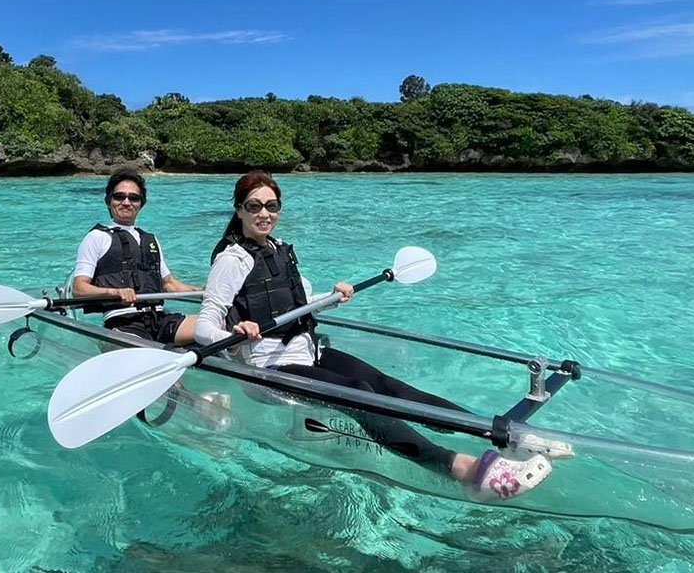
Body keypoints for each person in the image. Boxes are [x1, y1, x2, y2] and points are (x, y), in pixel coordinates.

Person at [194, 170, 552, 501]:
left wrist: (333, 298)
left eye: (271, 206)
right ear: (239, 210)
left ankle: (495, 433)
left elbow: (300, 305)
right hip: (268, 372)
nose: (264, 214)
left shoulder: (280, 249)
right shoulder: (232, 260)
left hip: (308, 352)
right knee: (361, 395)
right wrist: (237, 332)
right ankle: (465, 470)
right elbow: (204, 326)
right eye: (254, 206)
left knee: (386, 384)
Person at [72, 169, 201, 345]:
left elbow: (169, 284)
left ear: (141, 204)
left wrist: (202, 292)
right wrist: (115, 292)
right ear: (109, 201)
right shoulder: (97, 237)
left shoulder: (150, 240)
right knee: (141, 350)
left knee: (216, 324)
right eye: (119, 197)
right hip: (124, 322)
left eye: (133, 198)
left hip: (159, 319)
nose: (126, 202)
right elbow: (79, 289)